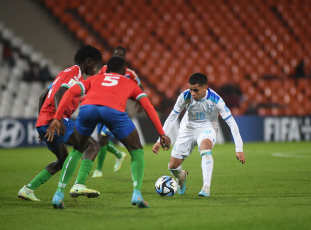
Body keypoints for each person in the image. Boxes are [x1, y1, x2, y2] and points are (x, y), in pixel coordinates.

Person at [46, 56, 170, 209]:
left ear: (107, 69)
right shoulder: (129, 82)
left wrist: (57, 117)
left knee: (77, 150)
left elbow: (70, 92)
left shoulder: (95, 79)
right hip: (113, 111)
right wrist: (161, 133)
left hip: (87, 110)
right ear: (124, 70)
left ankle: (58, 194)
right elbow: (148, 106)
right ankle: (137, 193)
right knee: (136, 150)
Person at [18, 45, 103, 201]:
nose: (95, 68)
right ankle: (79, 184)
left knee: (63, 160)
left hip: (45, 121)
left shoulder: (64, 73)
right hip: (55, 119)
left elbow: (42, 97)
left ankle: (28, 189)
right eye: (95, 63)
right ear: (89, 60)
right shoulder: (74, 74)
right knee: (93, 145)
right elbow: (59, 94)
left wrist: (41, 123)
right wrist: (57, 119)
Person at [152, 72, 245, 197]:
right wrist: (160, 139)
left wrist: (239, 148)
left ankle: (206, 187)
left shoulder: (216, 99)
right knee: (173, 166)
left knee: (205, 148)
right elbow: (172, 116)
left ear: (205, 88)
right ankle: (181, 178)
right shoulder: (185, 96)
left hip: (207, 127)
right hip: (187, 129)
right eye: (191, 89)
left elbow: (231, 122)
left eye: (196, 90)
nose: (193, 93)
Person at [92, 46, 143, 177]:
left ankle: (100, 169)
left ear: (124, 58)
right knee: (100, 141)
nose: (118, 56)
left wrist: (139, 101)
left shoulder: (129, 73)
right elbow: (96, 82)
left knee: (103, 138)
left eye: (121, 55)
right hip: (101, 107)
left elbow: (139, 86)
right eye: (116, 54)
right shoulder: (104, 69)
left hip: (116, 109)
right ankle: (117, 155)